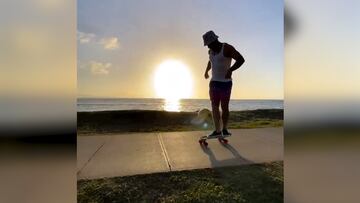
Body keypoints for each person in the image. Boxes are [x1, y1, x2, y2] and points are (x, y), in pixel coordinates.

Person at [202, 30, 245, 138]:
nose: (208, 47)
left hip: (226, 83)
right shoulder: (211, 51)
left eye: (209, 44)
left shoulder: (227, 48)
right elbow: (210, 61)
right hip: (214, 83)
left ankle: (224, 129)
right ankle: (217, 130)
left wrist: (231, 70)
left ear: (215, 40)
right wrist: (206, 71)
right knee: (214, 106)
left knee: (224, 107)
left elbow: (241, 59)